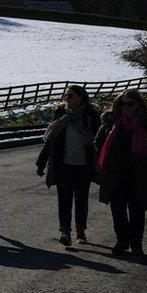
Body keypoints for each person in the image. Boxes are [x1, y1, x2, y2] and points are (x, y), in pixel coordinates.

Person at [95, 90, 147, 256]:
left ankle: (136, 243)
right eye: (122, 103)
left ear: (138, 105)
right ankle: (122, 240)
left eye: (130, 104)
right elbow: (98, 142)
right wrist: (104, 160)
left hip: (139, 175)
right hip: (115, 175)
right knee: (117, 211)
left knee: (137, 212)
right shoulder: (111, 122)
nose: (125, 107)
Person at [36, 85, 102, 246]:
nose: (67, 98)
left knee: (81, 199)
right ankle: (65, 231)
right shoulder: (60, 115)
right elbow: (50, 140)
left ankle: (80, 231)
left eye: (71, 95)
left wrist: (101, 165)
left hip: (84, 166)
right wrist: (41, 162)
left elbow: (99, 142)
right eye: (66, 96)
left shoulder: (91, 116)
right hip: (63, 165)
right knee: (64, 199)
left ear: (81, 97)